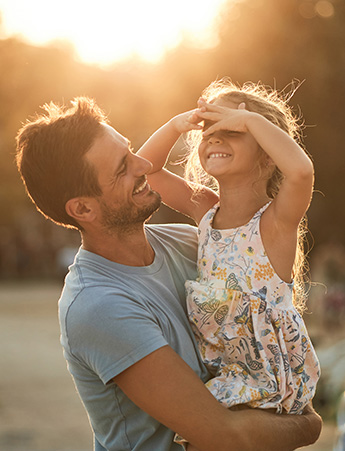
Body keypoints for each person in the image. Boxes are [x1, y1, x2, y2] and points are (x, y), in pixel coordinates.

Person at [15, 96, 322, 451]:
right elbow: (225, 436)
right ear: (82, 208)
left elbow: (298, 174)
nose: (143, 164)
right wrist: (308, 426)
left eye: (131, 150)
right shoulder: (98, 307)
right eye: (122, 166)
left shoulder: (193, 242)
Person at [138, 78, 321, 448]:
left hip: (268, 393)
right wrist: (178, 124)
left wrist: (251, 120)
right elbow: (147, 170)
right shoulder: (204, 208)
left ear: (268, 153)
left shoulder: (275, 223)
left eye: (232, 131)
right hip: (222, 381)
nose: (216, 138)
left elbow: (301, 172)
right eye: (209, 131)